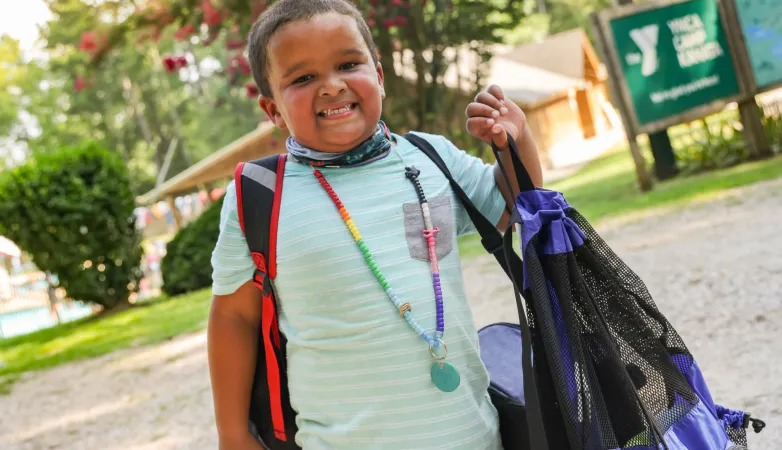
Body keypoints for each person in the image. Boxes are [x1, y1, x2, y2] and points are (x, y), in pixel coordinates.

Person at [207, 0, 544, 448]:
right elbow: (233, 317)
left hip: (472, 436)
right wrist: (232, 434)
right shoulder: (260, 194)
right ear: (273, 110)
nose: (331, 86)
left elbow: (512, 203)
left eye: (348, 63)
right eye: (303, 78)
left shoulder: (429, 158)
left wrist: (516, 144)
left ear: (379, 76)